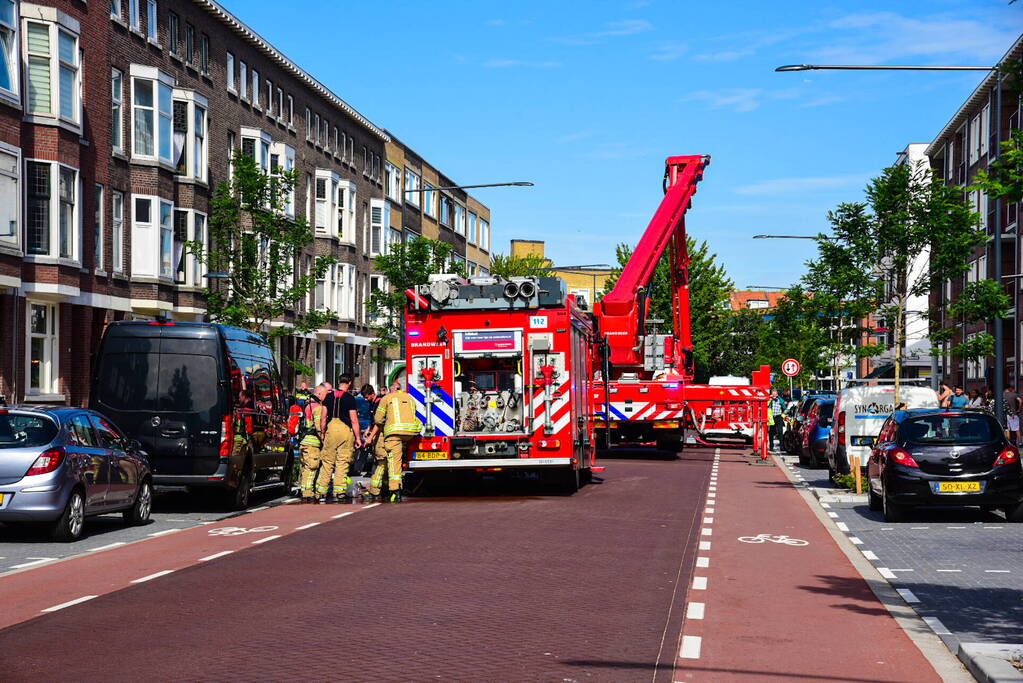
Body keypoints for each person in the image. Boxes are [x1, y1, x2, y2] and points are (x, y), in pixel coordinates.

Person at [360, 377, 421, 503]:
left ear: (391, 389)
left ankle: (394, 491)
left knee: (390, 463)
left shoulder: (386, 398)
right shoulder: (409, 397)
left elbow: (378, 420)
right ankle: (386, 488)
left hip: (392, 435)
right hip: (410, 433)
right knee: (393, 462)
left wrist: (370, 437)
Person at [317, 374, 362, 503]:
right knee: (342, 462)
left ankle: (321, 491)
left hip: (331, 429)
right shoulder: (350, 398)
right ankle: (339, 492)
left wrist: (322, 433)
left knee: (327, 462)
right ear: (350, 383)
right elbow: (354, 420)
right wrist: (358, 438)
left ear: (338, 382)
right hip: (345, 431)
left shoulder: (328, 397)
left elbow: (323, 417)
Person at [298, 384, 327, 502]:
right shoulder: (318, 407)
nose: (326, 397)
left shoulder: (307, 405)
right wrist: (324, 440)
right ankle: (308, 493)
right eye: (325, 394)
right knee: (312, 468)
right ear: (319, 394)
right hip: (313, 442)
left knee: (305, 467)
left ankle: (304, 489)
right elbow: (319, 427)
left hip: (304, 441)